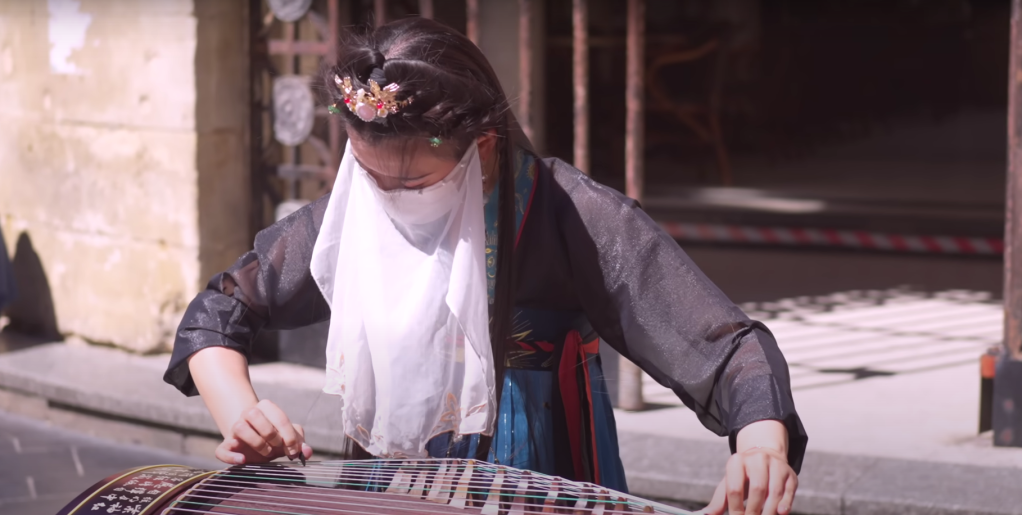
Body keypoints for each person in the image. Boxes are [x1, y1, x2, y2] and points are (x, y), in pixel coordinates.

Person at [164, 17, 807, 515]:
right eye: (369, 176)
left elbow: (728, 348)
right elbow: (221, 310)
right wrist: (241, 414)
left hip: (537, 465)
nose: (387, 201)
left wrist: (760, 445)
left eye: (414, 184)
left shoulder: (571, 212)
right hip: (390, 475)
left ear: (484, 145)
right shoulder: (356, 207)